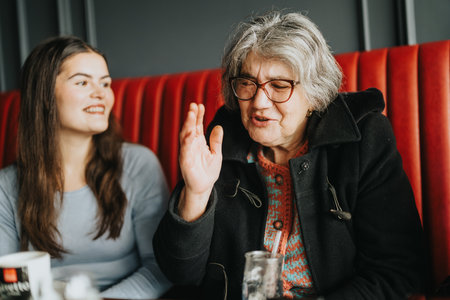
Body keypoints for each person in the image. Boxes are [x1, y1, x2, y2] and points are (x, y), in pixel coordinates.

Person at [153, 11, 425, 300]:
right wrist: (196, 193)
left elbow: (396, 271)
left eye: (279, 86)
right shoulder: (221, 141)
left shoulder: (363, 138)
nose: (258, 102)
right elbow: (180, 274)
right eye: (247, 83)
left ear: (315, 94)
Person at [0, 36, 172, 299]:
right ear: (44, 95)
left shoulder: (139, 164)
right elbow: (9, 283)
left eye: (105, 83)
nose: (102, 94)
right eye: (82, 82)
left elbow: (161, 267)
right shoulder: (6, 186)